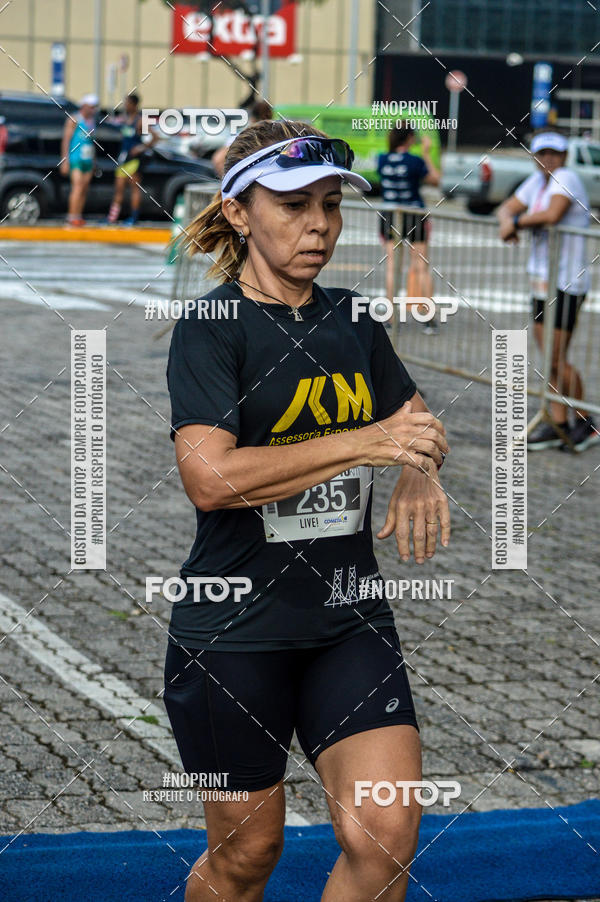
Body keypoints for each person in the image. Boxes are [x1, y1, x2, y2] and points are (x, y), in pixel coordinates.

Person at [164, 120, 451, 902]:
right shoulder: (212, 329)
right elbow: (210, 479)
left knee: (386, 835)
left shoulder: (353, 318)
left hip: (347, 623)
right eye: (293, 206)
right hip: (233, 633)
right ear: (238, 212)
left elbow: (415, 421)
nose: (319, 225)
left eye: (330, 204)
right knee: (247, 856)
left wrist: (419, 467)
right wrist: (370, 442)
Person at [497, 129, 599, 452]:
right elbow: (505, 207)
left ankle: (586, 421)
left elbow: (552, 214)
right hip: (542, 281)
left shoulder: (566, 178)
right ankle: (558, 422)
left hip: (567, 281)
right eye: (542, 154)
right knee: (550, 359)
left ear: (564, 156)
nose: (548, 159)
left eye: (554, 153)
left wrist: (516, 223)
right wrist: (507, 220)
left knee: (556, 357)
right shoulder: (536, 181)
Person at [377, 123, 441, 334]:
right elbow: (435, 180)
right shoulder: (415, 161)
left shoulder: (382, 159)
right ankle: (429, 318)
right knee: (421, 266)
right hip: (414, 214)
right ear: (410, 138)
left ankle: (390, 318)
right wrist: (426, 153)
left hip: (389, 214)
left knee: (392, 267)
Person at [106, 93, 157, 225]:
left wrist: (141, 148)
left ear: (134, 105)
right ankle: (112, 218)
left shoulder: (139, 120)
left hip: (134, 160)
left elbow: (155, 137)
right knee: (119, 189)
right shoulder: (125, 119)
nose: (125, 106)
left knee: (135, 188)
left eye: (128, 103)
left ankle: (134, 218)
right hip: (123, 159)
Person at [60, 94, 98, 227]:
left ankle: (78, 215)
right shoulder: (74, 119)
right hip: (76, 158)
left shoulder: (92, 122)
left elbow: (92, 143)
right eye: (91, 107)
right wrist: (64, 160)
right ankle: (71, 216)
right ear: (84, 106)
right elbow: (66, 140)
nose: (93, 110)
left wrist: (94, 161)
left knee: (84, 189)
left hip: (88, 159)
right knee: (77, 186)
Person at [211, 100, 273, 178]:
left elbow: (218, 160)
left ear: (252, 118)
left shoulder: (242, 137)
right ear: (271, 115)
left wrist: (228, 180)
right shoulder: (279, 135)